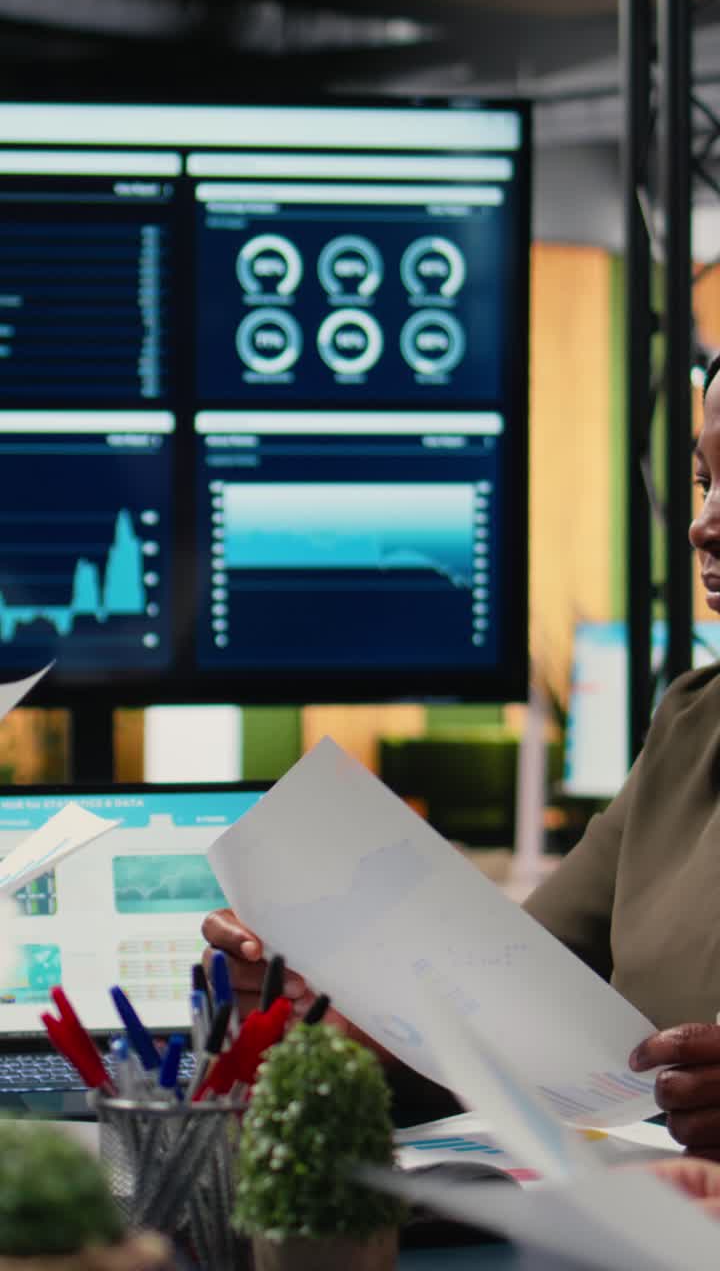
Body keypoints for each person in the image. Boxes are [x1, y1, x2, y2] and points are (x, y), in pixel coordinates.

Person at [203, 350, 720, 1157]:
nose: (705, 522)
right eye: (703, 483)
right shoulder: (693, 724)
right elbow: (501, 1015)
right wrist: (320, 1004)